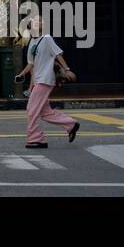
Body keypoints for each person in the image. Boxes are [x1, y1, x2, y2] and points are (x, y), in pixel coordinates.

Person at [14, 15, 81, 149]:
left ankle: (36, 139)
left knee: (31, 109)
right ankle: (71, 125)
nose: (39, 22)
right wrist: (21, 74)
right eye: (36, 21)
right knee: (45, 112)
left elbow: (57, 55)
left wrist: (67, 69)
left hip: (45, 79)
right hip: (38, 79)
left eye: (41, 21)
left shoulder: (47, 39)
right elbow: (31, 64)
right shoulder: (32, 43)